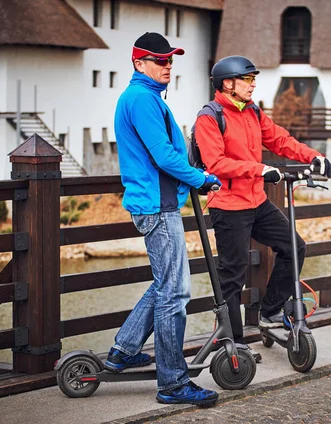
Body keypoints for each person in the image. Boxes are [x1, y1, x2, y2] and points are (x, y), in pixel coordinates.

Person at [106, 32, 221, 407]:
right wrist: (201, 178)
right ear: (139, 64)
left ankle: (123, 350)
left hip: (157, 203)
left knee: (165, 285)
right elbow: (163, 157)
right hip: (158, 206)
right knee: (175, 293)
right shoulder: (141, 99)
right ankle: (172, 383)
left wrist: (191, 178)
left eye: (170, 60)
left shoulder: (146, 97)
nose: (167, 66)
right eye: (159, 60)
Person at [194, 55, 331, 350]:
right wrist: (258, 169)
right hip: (229, 204)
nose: (253, 84)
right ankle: (233, 344)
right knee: (233, 274)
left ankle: (269, 311)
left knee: (294, 247)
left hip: (256, 200)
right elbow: (216, 163)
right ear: (228, 83)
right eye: (247, 79)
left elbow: (280, 140)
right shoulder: (210, 117)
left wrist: (313, 156)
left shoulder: (252, 112)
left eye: (253, 79)